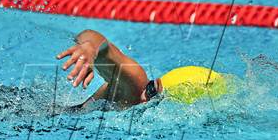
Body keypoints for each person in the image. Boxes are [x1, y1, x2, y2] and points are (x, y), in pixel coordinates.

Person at [56, 30, 227, 109]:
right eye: (152, 86)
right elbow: (94, 37)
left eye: (153, 95)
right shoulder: (136, 83)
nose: (145, 94)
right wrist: (89, 48)